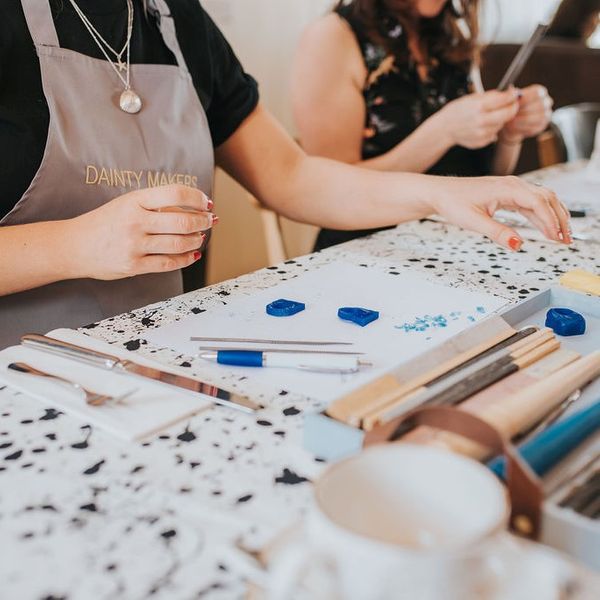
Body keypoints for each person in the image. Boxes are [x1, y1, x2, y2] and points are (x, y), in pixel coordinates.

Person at [0, 0, 569, 349]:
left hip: (158, 352)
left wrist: (442, 193)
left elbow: (292, 176)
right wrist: (76, 244)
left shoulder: (178, 19)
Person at [292, 0, 556, 250]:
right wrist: (443, 131)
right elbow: (331, 194)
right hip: (367, 247)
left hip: (460, 244)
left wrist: (510, 133)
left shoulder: (450, 32)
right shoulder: (333, 37)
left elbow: (483, 175)